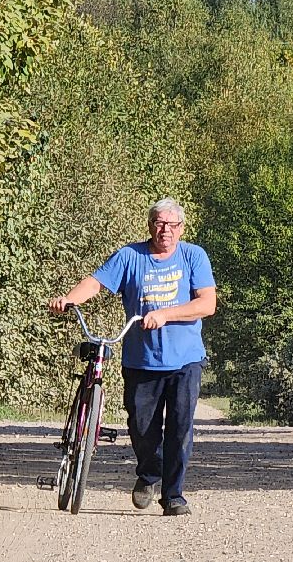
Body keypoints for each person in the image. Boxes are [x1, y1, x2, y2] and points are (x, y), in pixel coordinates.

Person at [48, 198, 217, 516]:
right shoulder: (130, 256)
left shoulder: (194, 256)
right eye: (158, 223)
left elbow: (206, 304)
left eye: (171, 224)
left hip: (185, 359)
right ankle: (148, 475)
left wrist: (166, 314)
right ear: (150, 225)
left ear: (181, 228)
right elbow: (96, 282)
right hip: (141, 359)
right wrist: (69, 299)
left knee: (180, 428)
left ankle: (173, 496)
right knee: (142, 428)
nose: (164, 230)